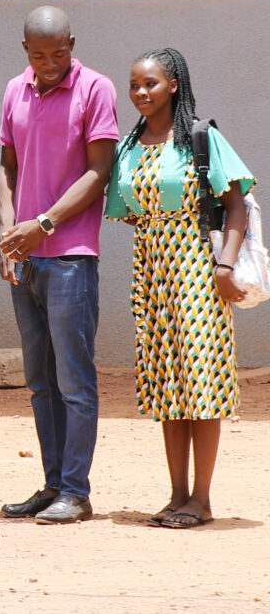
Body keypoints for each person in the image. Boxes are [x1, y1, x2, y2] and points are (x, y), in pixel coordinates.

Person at [0, 6, 118, 524]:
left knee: (73, 380)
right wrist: (8, 233)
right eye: (39, 55)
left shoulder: (96, 88)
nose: (49, 63)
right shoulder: (13, 90)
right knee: (40, 381)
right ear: (26, 50)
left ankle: (76, 490)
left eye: (59, 52)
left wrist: (41, 224)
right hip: (24, 257)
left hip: (69, 256)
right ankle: (51, 485)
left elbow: (99, 172)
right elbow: (5, 165)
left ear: (72, 42)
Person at [118, 50, 242, 530]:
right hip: (151, 273)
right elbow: (126, 209)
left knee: (201, 385)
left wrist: (224, 265)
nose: (140, 93)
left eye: (149, 83)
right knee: (169, 386)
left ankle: (203, 499)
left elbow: (236, 205)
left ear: (173, 85)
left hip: (197, 271)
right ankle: (176, 495)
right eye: (133, 85)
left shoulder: (200, 138)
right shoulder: (131, 146)